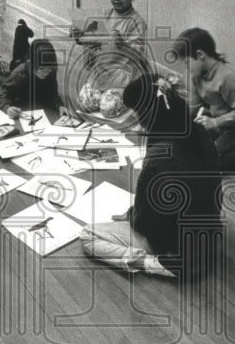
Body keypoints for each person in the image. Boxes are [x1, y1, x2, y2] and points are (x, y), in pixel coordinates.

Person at [80, 72, 223, 278]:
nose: (137, 121)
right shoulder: (199, 131)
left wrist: (132, 215)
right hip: (209, 232)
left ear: (149, 115)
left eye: (138, 113)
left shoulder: (160, 156)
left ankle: (155, 264)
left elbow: (147, 224)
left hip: (176, 247)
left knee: (88, 235)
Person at [172, 27, 235, 169]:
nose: (186, 68)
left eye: (186, 62)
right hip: (218, 125)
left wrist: (215, 123)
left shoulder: (227, 77)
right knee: (191, 151)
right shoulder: (196, 75)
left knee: (211, 163)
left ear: (200, 55)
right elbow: (192, 108)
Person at [71, 0, 148, 100]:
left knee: (108, 108)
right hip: (101, 72)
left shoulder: (137, 22)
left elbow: (137, 56)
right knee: (85, 102)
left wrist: (122, 45)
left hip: (122, 76)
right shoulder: (105, 15)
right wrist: (80, 36)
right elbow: (92, 42)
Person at [0, 39, 71, 120]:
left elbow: (52, 93)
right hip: (21, 105)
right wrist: (7, 108)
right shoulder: (19, 73)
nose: (46, 73)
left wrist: (60, 106)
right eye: (42, 69)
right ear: (30, 64)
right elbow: (3, 95)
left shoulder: (51, 71)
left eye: (49, 69)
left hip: (40, 104)